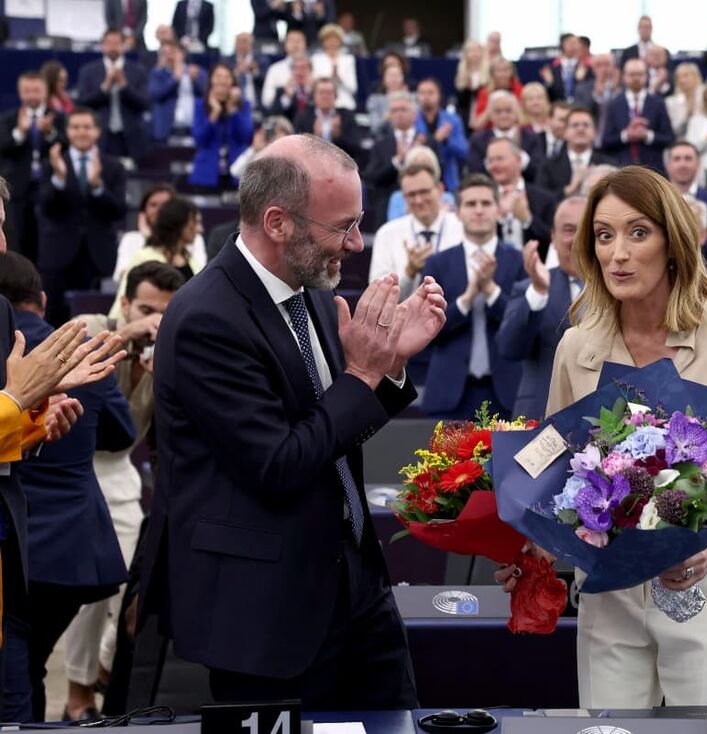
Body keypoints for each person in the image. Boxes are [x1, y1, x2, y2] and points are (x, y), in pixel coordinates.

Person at [142, 134, 445, 709]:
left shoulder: (308, 290)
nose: (356, 243)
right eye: (343, 226)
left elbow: (332, 430)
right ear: (277, 222)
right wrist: (363, 375)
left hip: (355, 587)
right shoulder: (207, 317)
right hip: (267, 617)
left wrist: (389, 367)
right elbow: (279, 464)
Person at [497, 166, 707, 707]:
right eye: (604, 235)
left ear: (673, 242)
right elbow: (554, 481)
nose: (618, 253)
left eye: (638, 233)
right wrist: (528, 549)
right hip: (608, 602)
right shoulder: (576, 346)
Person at [0, 251, 135, 724]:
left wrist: (32, 421)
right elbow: (124, 434)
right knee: (23, 672)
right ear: (41, 298)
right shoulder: (73, 348)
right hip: (72, 549)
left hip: (27, 549)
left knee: (18, 675)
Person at [62, 261, 185, 722]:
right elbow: (67, 356)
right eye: (147, 308)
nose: (157, 319)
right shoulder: (97, 326)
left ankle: (105, 670)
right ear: (127, 302)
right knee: (86, 596)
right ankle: (77, 695)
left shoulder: (172, 349)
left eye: (165, 313)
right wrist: (131, 334)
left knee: (128, 589)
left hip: (123, 474)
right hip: (77, 469)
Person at [420, 174, 524, 419]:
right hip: (450, 392)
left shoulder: (517, 261)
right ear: (458, 212)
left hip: (506, 392)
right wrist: (466, 298)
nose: (479, 210)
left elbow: (523, 327)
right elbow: (427, 329)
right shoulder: (437, 263)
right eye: (471, 204)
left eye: (486, 203)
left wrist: (490, 291)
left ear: (498, 210)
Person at [497, 196, 586, 420]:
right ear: (554, 238)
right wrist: (538, 293)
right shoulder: (529, 288)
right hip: (540, 417)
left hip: (604, 421)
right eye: (569, 230)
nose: (577, 239)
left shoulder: (618, 290)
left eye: (586, 229)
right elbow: (509, 348)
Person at [37, 108, 127, 325]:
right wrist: (59, 179)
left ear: (97, 131)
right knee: (54, 321)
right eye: (75, 127)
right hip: (58, 256)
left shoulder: (114, 167)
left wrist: (98, 187)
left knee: (96, 324)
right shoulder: (51, 163)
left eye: (87, 127)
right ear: (67, 131)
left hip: (98, 257)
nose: (81, 132)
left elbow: (119, 211)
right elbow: (46, 209)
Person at [370, 162, 463, 300]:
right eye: (411, 195)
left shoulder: (462, 227)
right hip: (404, 319)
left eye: (424, 192)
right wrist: (409, 272)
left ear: (440, 189)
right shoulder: (387, 234)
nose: (418, 200)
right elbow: (377, 296)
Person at [0, 72, 60, 264]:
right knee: (18, 239)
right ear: (20, 93)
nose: (32, 95)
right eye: (27, 90)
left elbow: (66, 147)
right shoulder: (8, 119)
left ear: (45, 91)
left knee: (47, 242)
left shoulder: (58, 119)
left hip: (49, 188)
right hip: (17, 190)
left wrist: (50, 133)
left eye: (36, 90)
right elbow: (3, 148)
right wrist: (20, 132)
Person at [110, 195, 203, 318]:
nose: (199, 229)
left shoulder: (191, 260)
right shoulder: (145, 256)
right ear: (181, 223)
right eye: (195, 222)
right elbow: (124, 304)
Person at [76, 28, 150, 162]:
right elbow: (81, 104)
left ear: (124, 46)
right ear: (102, 46)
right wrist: (104, 87)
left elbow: (145, 104)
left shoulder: (138, 71)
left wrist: (124, 86)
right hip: (100, 136)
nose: (113, 47)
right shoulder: (88, 71)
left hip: (131, 137)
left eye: (117, 43)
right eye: (109, 43)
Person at [114, 183, 206, 286]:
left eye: (165, 205)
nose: (159, 210)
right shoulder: (138, 247)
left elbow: (202, 279)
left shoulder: (192, 248)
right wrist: (149, 238)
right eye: (153, 205)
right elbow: (124, 280)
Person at [484, 137, 556, 254]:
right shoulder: (483, 199)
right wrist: (498, 219)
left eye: (500, 159)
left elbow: (553, 242)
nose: (494, 165)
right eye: (490, 161)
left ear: (518, 160)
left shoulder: (545, 199)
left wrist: (527, 219)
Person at [601, 58, 674, 173]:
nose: (636, 78)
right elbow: (606, 141)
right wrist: (626, 135)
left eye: (640, 74)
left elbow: (669, 138)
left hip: (653, 169)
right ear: (624, 76)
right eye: (631, 74)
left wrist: (647, 135)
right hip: (622, 169)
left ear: (647, 76)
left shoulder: (658, 103)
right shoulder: (614, 104)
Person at [666, 141, 707, 269]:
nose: (682, 164)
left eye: (688, 159)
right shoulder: (656, 200)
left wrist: (703, 240)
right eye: (677, 159)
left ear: (698, 165)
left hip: (705, 274)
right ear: (668, 165)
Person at [189, 63, 253, 191]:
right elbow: (199, 140)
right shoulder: (200, 105)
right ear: (211, 80)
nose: (222, 80)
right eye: (218, 76)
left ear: (233, 82)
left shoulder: (244, 105)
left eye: (226, 76)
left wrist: (232, 110)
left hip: (236, 174)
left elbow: (246, 137)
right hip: (206, 174)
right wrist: (215, 113)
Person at [365, 91, 420, 228]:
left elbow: (439, 172)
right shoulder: (380, 145)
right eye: (394, 110)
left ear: (414, 114)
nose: (399, 114)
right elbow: (372, 177)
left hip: (420, 204)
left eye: (403, 109)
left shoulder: (427, 142)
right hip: (387, 209)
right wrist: (397, 161)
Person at [536, 107, 614, 200]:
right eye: (575, 125)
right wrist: (569, 189)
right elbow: (540, 200)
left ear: (594, 132)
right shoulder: (548, 166)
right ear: (565, 132)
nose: (580, 129)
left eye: (586, 125)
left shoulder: (609, 165)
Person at [467, 91, 543, 180]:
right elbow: (474, 173)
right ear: (490, 115)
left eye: (508, 110)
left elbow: (539, 170)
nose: (503, 115)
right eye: (498, 111)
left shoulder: (531, 138)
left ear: (516, 113)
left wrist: (522, 159)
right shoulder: (478, 141)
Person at [149, 39, 208, 143]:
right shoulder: (157, 74)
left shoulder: (196, 72)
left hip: (192, 127)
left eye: (173, 53)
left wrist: (195, 80)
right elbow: (156, 95)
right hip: (167, 130)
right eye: (165, 53)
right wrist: (174, 79)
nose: (170, 57)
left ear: (183, 54)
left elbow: (207, 94)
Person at [415, 77, 469, 193]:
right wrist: (436, 139)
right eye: (422, 93)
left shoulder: (452, 121)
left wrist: (447, 140)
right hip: (420, 177)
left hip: (448, 180)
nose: (426, 97)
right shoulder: (412, 120)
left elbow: (464, 152)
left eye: (430, 92)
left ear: (439, 95)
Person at [293, 77, 362, 159]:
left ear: (335, 96)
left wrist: (338, 136)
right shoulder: (303, 117)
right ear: (314, 96)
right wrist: (315, 138)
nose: (325, 96)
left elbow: (357, 147)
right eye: (321, 92)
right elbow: (298, 149)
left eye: (329, 93)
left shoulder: (346, 115)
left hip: (340, 163)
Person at [311, 24, 357, 111]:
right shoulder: (316, 59)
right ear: (323, 42)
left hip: (345, 103)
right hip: (322, 103)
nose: (332, 43)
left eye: (335, 39)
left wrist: (339, 78)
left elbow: (353, 88)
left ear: (340, 41)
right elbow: (313, 84)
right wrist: (329, 77)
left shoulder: (348, 59)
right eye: (328, 39)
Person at [261, 29, 307, 112]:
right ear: (285, 45)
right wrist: (285, 93)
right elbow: (267, 101)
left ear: (305, 45)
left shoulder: (314, 67)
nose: (295, 44)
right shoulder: (274, 69)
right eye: (292, 41)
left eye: (299, 41)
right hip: (282, 114)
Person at [472, 58, 524, 131]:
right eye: (499, 71)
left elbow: (525, 120)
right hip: (490, 132)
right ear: (492, 73)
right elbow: (477, 124)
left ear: (511, 72)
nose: (502, 74)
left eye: (506, 70)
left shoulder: (520, 90)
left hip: (515, 131)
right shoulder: (485, 92)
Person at [542, 33, 589, 104]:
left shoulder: (585, 66)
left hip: (580, 106)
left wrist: (581, 81)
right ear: (562, 45)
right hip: (559, 106)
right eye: (571, 43)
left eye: (577, 43)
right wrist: (549, 83)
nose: (575, 46)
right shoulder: (553, 68)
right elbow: (549, 95)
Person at [365, 61, 409, 134]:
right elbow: (374, 127)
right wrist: (387, 117)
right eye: (391, 75)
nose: (394, 79)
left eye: (397, 75)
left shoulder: (412, 98)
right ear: (383, 79)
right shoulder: (374, 99)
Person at [455, 39, 490, 127]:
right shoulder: (461, 71)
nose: (474, 54)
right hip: (467, 113)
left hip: (484, 111)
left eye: (477, 50)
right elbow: (460, 99)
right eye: (471, 51)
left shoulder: (489, 70)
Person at [664, 63, 704, 138]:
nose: (682, 80)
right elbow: (672, 130)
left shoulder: (706, 98)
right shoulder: (670, 102)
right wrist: (687, 117)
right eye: (678, 77)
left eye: (686, 76)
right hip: (682, 141)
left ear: (696, 77)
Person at [225, 32, 263, 109]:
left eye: (245, 42)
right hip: (233, 105)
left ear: (251, 44)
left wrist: (254, 71)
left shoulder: (261, 60)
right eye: (239, 42)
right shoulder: (227, 61)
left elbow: (265, 81)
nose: (242, 46)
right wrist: (235, 74)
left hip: (256, 105)